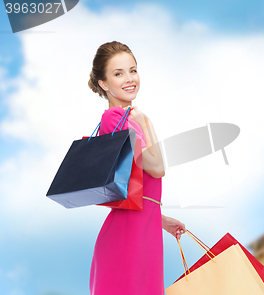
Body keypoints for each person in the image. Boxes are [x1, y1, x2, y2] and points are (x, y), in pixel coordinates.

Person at [87, 41, 186, 295]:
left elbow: (133, 188)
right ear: (104, 83)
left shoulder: (128, 120)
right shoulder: (116, 119)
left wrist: (159, 220)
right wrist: (146, 122)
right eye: (118, 73)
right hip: (128, 238)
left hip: (142, 230)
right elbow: (157, 168)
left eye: (133, 70)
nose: (129, 79)